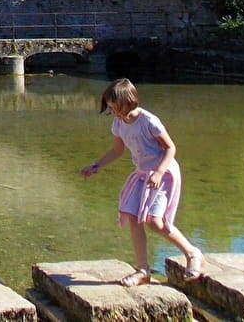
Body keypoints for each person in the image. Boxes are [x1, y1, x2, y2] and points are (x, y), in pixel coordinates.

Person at [80, 79, 204, 286]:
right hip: (142, 174)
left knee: (155, 221)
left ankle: (192, 253)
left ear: (129, 102)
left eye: (116, 107)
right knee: (132, 215)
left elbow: (170, 148)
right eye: (110, 108)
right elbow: (116, 151)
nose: (114, 111)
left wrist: (158, 172)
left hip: (163, 173)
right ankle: (143, 270)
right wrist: (96, 166)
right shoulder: (118, 123)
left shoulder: (149, 121)